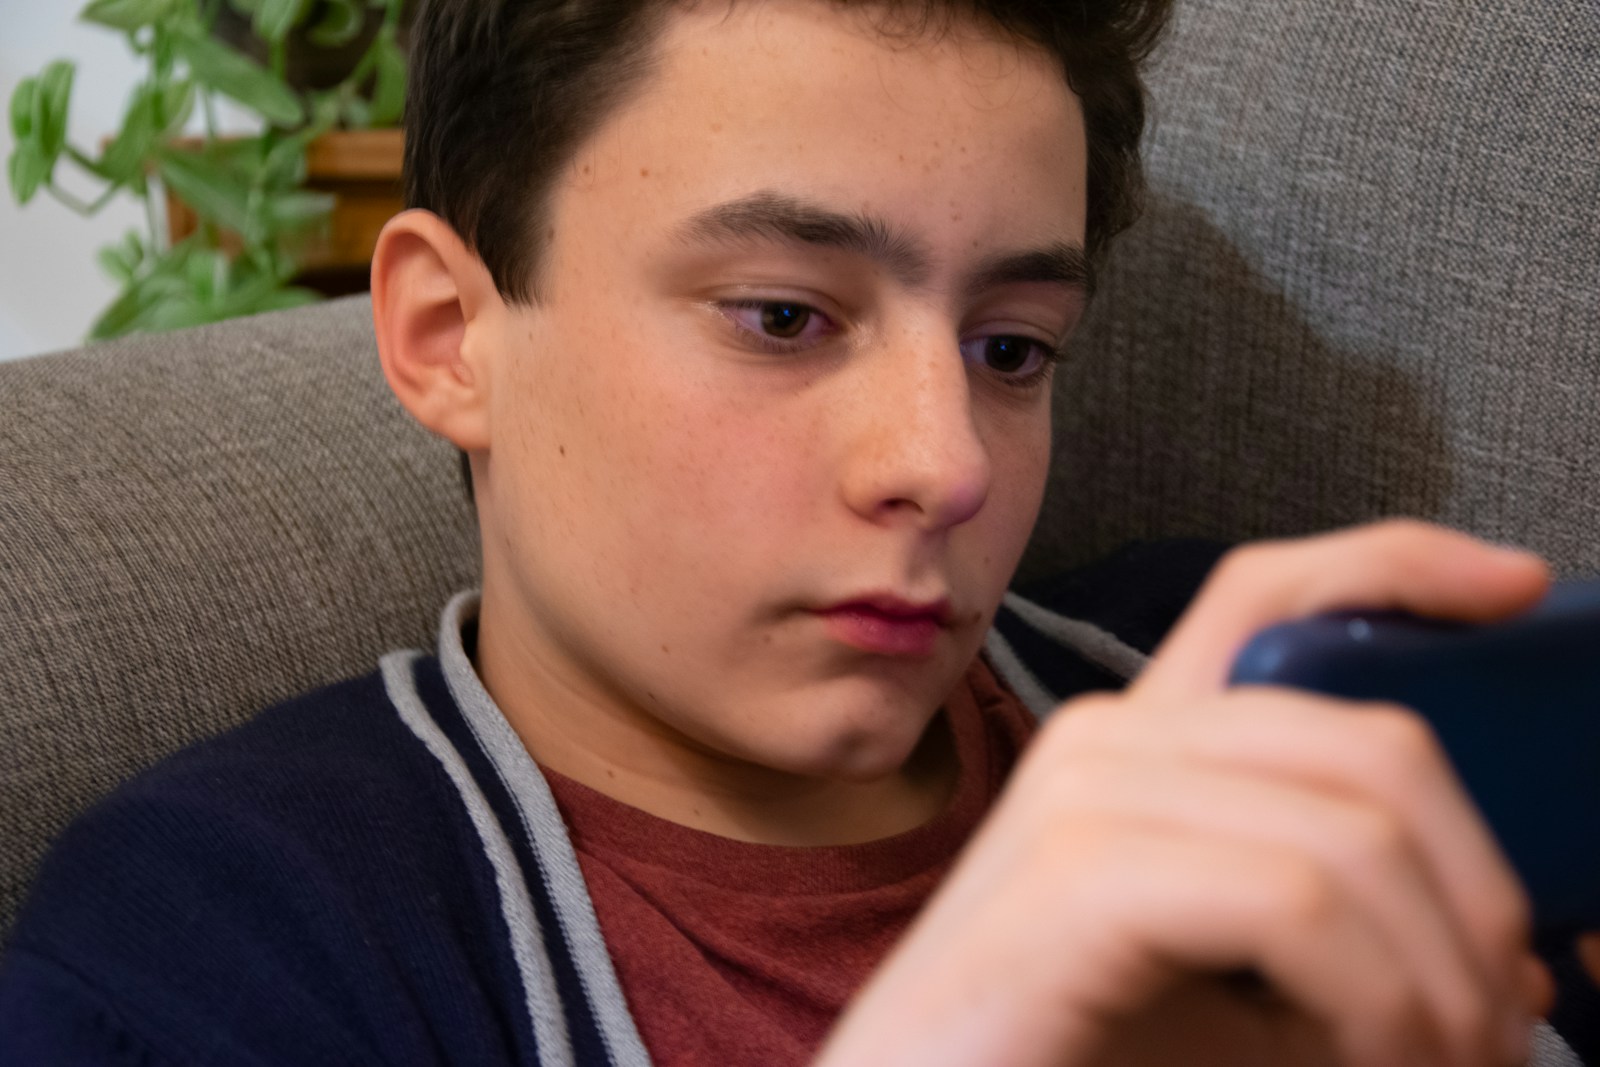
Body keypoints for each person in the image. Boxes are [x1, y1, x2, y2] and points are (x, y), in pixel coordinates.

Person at [1, 0, 1595, 1063]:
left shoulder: (1227, 690)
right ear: (446, 335)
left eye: (1012, 347)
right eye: (782, 314)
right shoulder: (216, 942)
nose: (944, 463)